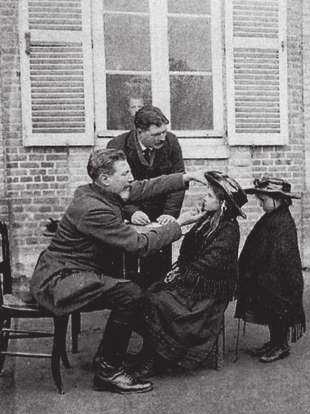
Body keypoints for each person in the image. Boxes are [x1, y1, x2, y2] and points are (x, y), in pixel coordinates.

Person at [29, 148, 204, 393]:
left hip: (75, 270)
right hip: (61, 279)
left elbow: (141, 187)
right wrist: (179, 223)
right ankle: (108, 370)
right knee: (130, 293)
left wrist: (185, 177)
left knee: (137, 285)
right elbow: (139, 245)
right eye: (125, 173)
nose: (131, 177)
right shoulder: (93, 208)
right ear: (105, 178)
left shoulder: (98, 192)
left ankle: (145, 352)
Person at [136, 171, 248, 378]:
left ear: (223, 204)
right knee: (151, 293)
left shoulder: (228, 229)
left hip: (207, 294)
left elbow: (211, 264)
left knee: (157, 302)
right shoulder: (208, 220)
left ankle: (155, 359)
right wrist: (180, 267)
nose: (204, 198)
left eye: (210, 196)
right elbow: (189, 252)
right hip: (194, 284)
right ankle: (152, 355)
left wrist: (182, 273)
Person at [107, 106, 186, 288]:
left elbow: (178, 180)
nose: (163, 138)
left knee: (159, 268)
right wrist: (131, 212)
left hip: (160, 215)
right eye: (157, 134)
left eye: (164, 132)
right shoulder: (117, 146)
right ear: (140, 131)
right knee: (128, 267)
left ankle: (156, 305)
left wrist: (170, 213)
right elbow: (112, 189)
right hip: (129, 216)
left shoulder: (171, 142)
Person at [235, 178, 305, 362]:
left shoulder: (282, 222)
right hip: (269, 276)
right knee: (271, 310)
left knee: (278, 310)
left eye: (263, 200)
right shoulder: (272, 217)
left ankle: (281, 345)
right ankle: (274, 342)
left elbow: (281, 254)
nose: (260, 204)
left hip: (279, 278)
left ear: (279, 200)